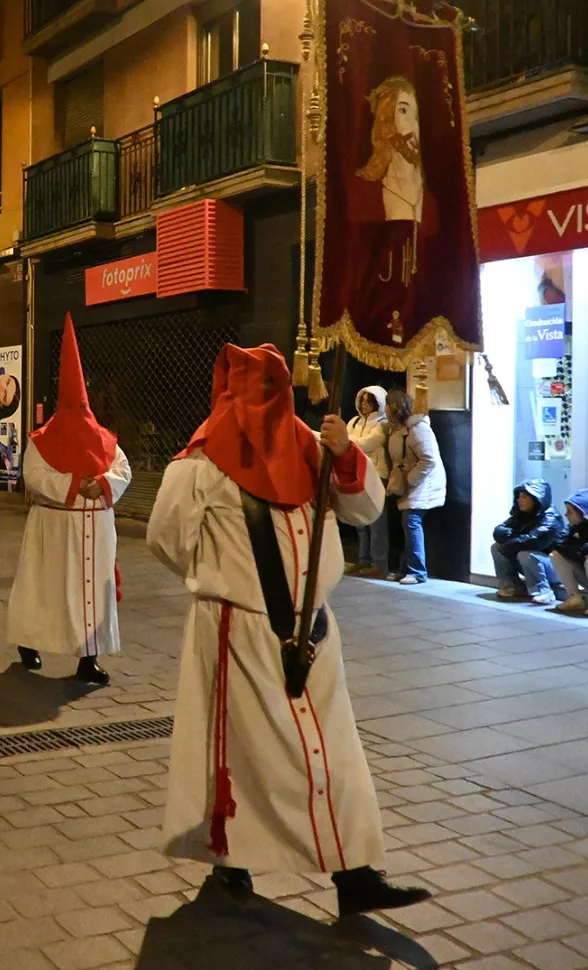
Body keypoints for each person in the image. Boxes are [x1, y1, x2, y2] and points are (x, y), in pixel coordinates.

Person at [146, 342, 430, 917]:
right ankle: (232, 857)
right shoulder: (200, 463)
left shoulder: (313, 446)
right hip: (238, 634)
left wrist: (346, 453)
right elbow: (166, 539)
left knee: (333, 756)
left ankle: (354, 876)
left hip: (316, 633)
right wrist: (221, 584)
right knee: (247, 757)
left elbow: (364, 511)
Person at [6, 315, 130, 685]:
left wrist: (104, 484)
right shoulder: (41, 439)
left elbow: (123, 469)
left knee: (92, 591)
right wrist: (77, 484)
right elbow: (35, 476)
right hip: (55, 526)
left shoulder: (105, 439)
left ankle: (88, 657)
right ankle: (30, 641)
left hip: (95, 526)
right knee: (44, 587)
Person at [384, 389, 445, 584]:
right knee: (405, 524)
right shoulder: (397, 428)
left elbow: (429, 460)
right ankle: (405, 568)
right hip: (409, 484)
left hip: (421, 485)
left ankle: (417, 571)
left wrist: (410, 478)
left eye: (387, 405)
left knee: (411, 522)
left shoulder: (418, 429)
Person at [491, 479, 568, 605]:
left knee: (525, 553)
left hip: (556, 568)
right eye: (519, 497)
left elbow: (533, 541)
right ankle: (511, 586)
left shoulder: (551, 518)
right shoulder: (521, 515)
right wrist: (510, 536)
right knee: (497, 547)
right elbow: (500, 530)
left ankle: (543, 590)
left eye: (524, 497)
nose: (519, 500)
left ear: (536, 498)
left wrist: (510, 538)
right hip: (535, 563)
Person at [345, 385, 390, 576]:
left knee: (376, 522)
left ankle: (378, 563)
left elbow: (368, 443)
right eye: (361, 400)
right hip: (356, 473)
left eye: (368, 401)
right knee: (360, 520)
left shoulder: (382, 423)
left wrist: (350, 443)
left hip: (376, 474)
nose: (364, 404)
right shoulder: (354, 422)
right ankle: (363, 559)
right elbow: (349, 441)